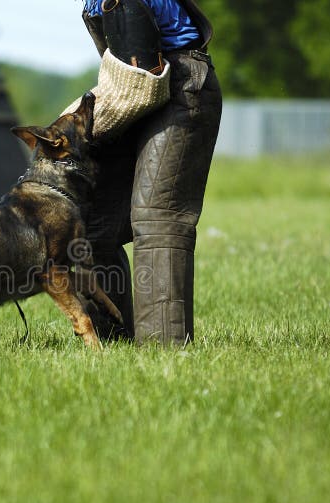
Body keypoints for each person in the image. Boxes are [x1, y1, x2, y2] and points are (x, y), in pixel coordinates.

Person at [78, 0, 222, 345]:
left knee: (157, 216)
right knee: (87, 220)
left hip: (182, 87)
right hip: (133, 89)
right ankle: (110, 346)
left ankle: (164, 350)